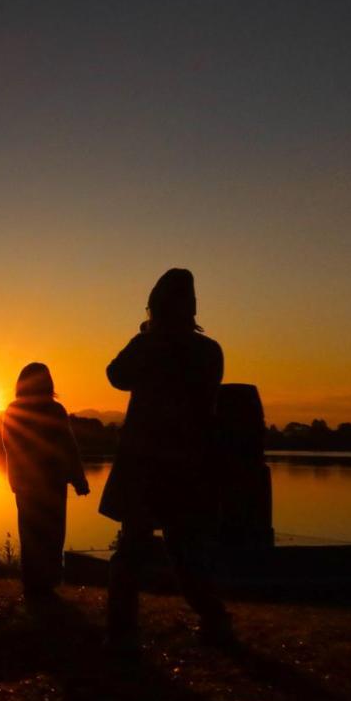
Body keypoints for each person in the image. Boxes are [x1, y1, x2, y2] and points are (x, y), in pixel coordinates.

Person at [100, 268, 233, 652]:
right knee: (186, 549)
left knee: (132, 549)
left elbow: (115, 375)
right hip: (190, 462)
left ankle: (121, 633)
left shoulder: (149, 344)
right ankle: (214, 618)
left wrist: (146, 336)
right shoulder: (209, 350)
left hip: (145, 463)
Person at [1, 362, 90, 600]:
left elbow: (9, 446)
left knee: (30, 533)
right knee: (52, 532)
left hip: (26, 484)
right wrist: (78, 478)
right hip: (51, 482)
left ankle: (33, 584)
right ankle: (47, 582)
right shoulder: (55, 410)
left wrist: (15, 478)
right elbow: (68, 447)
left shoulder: (12, 410)